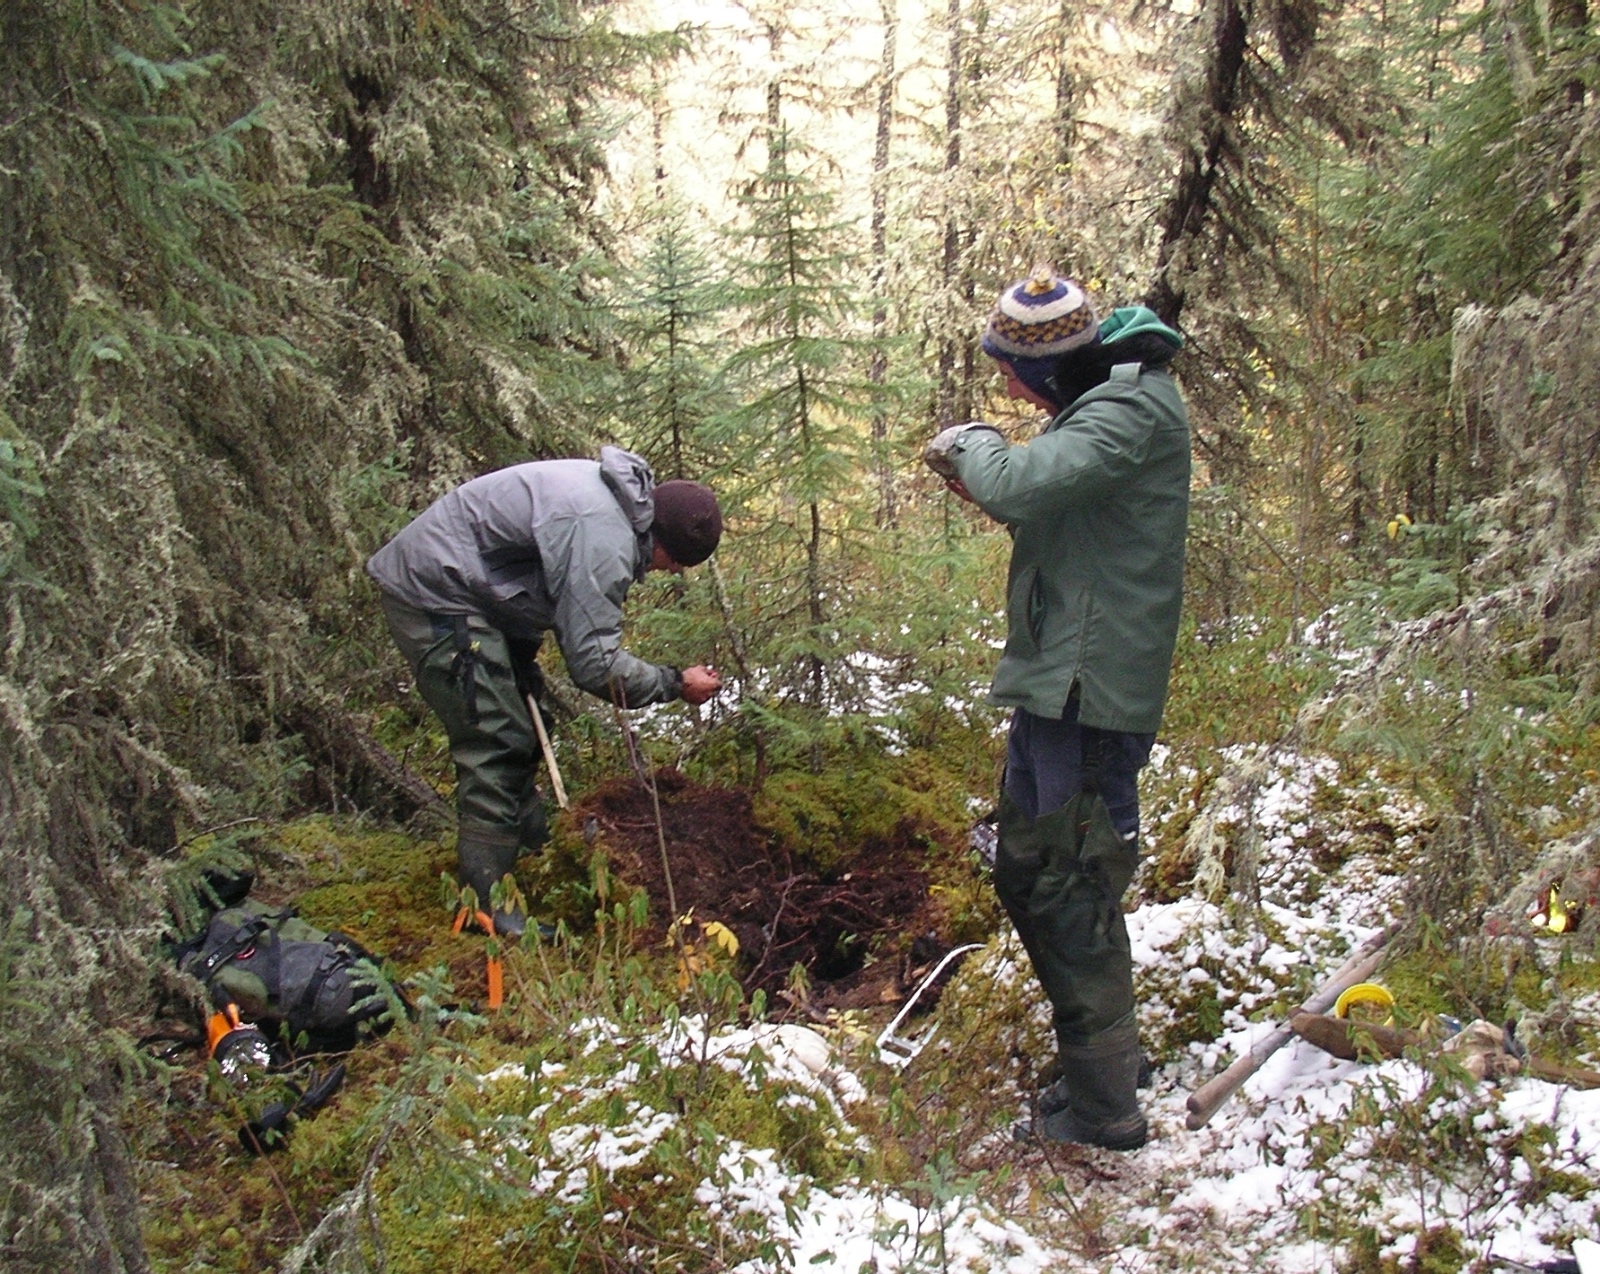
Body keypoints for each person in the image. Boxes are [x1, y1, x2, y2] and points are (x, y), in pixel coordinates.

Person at [925, 268, 1189, 1150]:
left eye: (1010, 371)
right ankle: (1108, 1059)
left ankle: (1108, 1103)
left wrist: (970, 444)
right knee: (1035, 870)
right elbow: (1057, 514)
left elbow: (1021, 484)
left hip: (1089, 690)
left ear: (1045, 369)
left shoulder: (1131, 408)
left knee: (1070, 880)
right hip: (1062, 681)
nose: (1004, 386)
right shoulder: (1104, 410)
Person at [368, 446, 725, 936]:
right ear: (661, 541)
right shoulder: (604, 536)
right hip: (436, 592)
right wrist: (673, 682)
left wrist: (518, 651)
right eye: (675, 562)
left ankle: (532, 849)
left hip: (470, 595)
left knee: (523, 726)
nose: (672, 572)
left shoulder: (617, 506)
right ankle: (488, 909)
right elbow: (595, 664)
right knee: (496, 738)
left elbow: (525, 571)